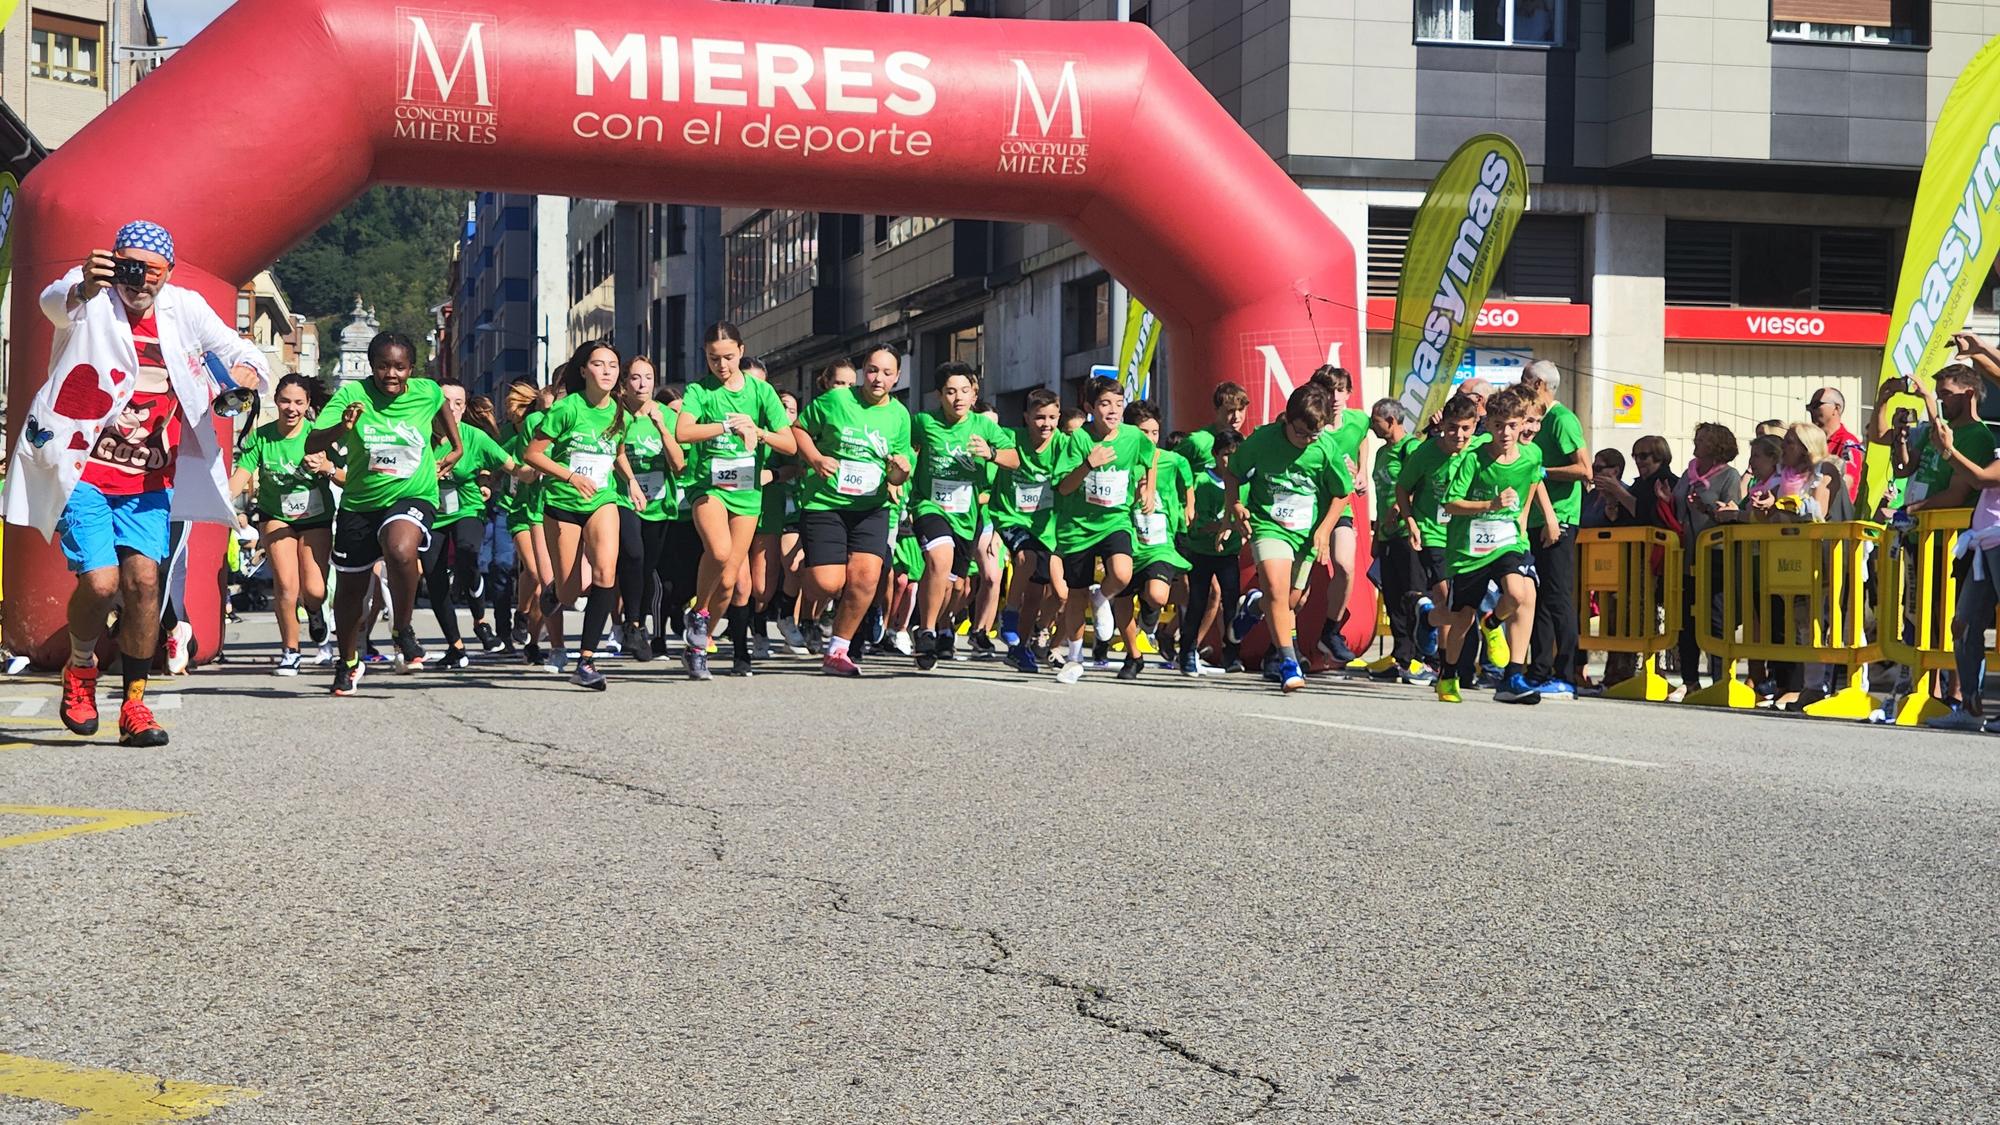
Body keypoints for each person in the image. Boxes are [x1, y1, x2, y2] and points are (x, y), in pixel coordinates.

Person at [4, 222, 271, 745]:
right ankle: (80, 670)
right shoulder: (93, 298)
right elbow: (53, 302)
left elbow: (244, 353)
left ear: (168, 273)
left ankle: (134, 706)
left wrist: (245, 373)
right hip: (82, 469)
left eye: (150, 270)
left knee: (146, 584)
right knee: (102, 584)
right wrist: (84, 282)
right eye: (128, 266)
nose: (138, 279)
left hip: (151, 478)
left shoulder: (185, 308)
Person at [307, 332, 460, 696]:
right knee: (349, 592)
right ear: (372, 365)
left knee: (401, 548)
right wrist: (340, 428)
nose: (391, 374)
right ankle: (347, 662)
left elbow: (442, 408)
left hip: (413, 493)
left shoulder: (427, 391)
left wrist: (456, 447)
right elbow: (312, 443)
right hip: (360, 502)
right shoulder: (351, 396)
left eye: (400, 367)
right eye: (383, 366)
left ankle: (402, 627)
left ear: (411, 368)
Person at [675, 323, 798, 680]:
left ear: (741, 351)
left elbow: (789, 445)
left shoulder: (761, 392)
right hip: (708, 486)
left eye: (729, 357)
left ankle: (697, 646)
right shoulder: (701, 390)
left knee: (729, 581)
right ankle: (698, 612)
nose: (722, 365)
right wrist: (726, 427)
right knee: (718, 551)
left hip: (747, 492)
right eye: (714, 358)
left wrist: (758, 432)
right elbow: (683, 431)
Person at [790, 345, 913, 677]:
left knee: (866, 578)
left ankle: (838, 650)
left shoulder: (899, 415)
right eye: (873, 370)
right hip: (826, 503)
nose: (878, 378)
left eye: (887, 373)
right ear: (863, 372)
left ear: (897, 377)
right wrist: (815, 459)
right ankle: (801, 579)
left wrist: (899, 469)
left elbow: (899, 472)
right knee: (830, 582)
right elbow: (799, 429)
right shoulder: (838, 400)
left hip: (871, 507)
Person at [1221, 382, 1352, 693]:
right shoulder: (1263, 439)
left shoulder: (1324, 448)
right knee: (1278, 594)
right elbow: (1233, 471)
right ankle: (1288, 663)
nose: (1306, 441)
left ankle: (1253, 607)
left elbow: (1341, 493)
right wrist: (1235, 503)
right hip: (1269, 525)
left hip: (1306, 533)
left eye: (1313, 435)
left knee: (1292, 600)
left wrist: (1323, 530)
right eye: (1300, 433)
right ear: (1287, 420)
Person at [1436, 385, 1557, 705]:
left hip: (1507, 538)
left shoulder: (1532, 454)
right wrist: (1490, 504)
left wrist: (1525, 518)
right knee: (1463, 617)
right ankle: (1448, 674)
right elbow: (1450, 503)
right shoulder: (1473, 459)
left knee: (1520, 593)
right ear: (1487, 425)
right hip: (1469, 546)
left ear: (1522, 425)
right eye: (1499, 425)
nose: (1506, 433)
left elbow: (1531, 481)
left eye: (1513, 425)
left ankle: (1511, 670)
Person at [523, 341, 633, 691]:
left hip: (602, 499)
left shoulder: (621, 413)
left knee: (605, 571)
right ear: (583, 370)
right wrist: (570, 476)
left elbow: (616, 453)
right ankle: (556, 590)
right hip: (563, 503)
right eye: (598, 364)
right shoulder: (567, 409)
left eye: (613, 365)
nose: (606, 371)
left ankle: (586, 660)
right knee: (570, 593)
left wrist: (630, 482)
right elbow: (532, 455)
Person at [907, 362, 1020, 669]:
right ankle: (927, 631)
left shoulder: (984, 427)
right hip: (929, 506)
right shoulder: (923, 422)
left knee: (955, 585)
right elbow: (906, 448)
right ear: (939, 395)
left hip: (967, 514)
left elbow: (1014, 459)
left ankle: (942, 626)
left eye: (965, 391)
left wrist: (992, 453)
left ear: (975, 394)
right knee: (938, 559)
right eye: (950, 391)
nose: (958, 397)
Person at [229, 374, 337, 676]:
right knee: (287, 587)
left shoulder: (320, 435)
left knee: (314, 590)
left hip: (315, 518)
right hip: (276, 516)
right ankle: (291, 651)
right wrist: (222, 496)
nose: (291, 408)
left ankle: (315, 612)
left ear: (308, 405)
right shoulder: (261, 437)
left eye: (298, 402)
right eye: (285, 401)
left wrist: (327, 467)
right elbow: (242, 475)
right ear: (276, 401)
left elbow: (347, 476)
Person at [1052, 375, 1157, 684]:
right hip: (1080, 526)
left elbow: (1151, 457)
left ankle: (1102, 599)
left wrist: (1148, 489)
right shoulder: (1079, 440)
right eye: (1104, 404)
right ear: (1089, 407)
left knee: (1123, 574)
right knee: (1076, 593)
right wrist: (1088, 463)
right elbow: (1064, 487)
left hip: (1115, 520)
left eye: (1118, 404)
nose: (1113, 411)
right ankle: (1074, 658)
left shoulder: (1133, 436)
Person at [1918, 379, 2000, 730]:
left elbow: (1982, 480)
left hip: (1995, 542)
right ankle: (1970, 708)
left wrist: (1950, 452)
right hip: (1982, 546)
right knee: (1963, 626)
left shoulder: (1981, 438)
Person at [423, 379, 514, 670]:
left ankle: (480, 622)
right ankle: (456, 647)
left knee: (467, 553)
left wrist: (541, 472)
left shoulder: (474, 437)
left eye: (459, 403)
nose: (452, 408)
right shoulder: (421, 436)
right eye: (446, 401)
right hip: (431, 512)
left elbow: (512, 466)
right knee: (434, 578)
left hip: (467, 508)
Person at [1396, 394, 1486, 683]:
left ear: (1476, 426)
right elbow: (1402, 489)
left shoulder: (1483, 449)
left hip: (1469, 537)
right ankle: (1448, 666)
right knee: (1448, 597)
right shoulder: (1425, 454)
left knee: (1464, 608)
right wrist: (1410, 522)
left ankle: (1430, 622)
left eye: (1465, 429)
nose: (1458, 436)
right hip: (1433, 532)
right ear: (1441, 425)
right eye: (1451, 428)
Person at [1520, 361, 1590, 698]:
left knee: (1558, 596)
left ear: (1538, 384)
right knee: (1538, 597)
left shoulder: (1562, 420)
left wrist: (1541, 470)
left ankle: (1567, 673)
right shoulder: (1534, 423)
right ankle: (1539, 670)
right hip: (1534, 518)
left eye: (1524, 381)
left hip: (1559, 517)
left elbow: (1584, 469)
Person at [613, 355, 686, 664]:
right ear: (624, 384)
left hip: (658, 503)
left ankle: (639, 625)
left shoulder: (666, 417)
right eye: (634, 378)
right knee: (633, 554)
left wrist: (663, 428)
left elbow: (680, 464)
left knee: (646, 569)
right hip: (623, 498)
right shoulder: (616, 415)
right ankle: (630, 622)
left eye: (648, 378)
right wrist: (630, 480)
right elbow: (614, 452)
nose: (642, 384)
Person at [991, 387, 1065, 673]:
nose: (1046, 424)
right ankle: (1008, 615)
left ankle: (1030, 640)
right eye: (1039, 417)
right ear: (1026, 417)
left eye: (1051, 417)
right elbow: (986, 428)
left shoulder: (1063, 444)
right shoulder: (1011, 438)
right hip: (1011, 518)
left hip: (1047, 528)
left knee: (1057, 594)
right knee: (1025, 559)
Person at [1669, 422, 1742, 700]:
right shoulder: (1688, 472)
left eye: (1702, 440)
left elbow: (1730, 511)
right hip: (1685, 555)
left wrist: (1707, 503)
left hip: (1716, 556)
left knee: (1716, 618)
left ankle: (1721, 677)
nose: (1696, 443)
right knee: (1686, 620)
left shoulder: (1729, 475)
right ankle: (1690, 679)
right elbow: (1678, 502)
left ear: (1716, 446)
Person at [1124, 399, 1194, 678]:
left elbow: (1188, 484)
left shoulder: (1172, 459)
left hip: (1160, 539)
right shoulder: (1122, 458)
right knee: (1122, 601)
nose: (1150, 439)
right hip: (1128, 535)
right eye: (1143, 433)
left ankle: (1150, 614)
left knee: (1157, 594)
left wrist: (1189, 506)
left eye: (1154, 433)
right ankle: (1133, 655)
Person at [1365, 399, 1428, 683]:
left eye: (1375, 420)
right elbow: (1380, 495)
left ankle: (1419, 656)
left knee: (1412, 594)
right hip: (1387, 535)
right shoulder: (1380, 453)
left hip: (1407, 533)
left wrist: (1401, 509)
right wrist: (1377, 534)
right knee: (1391, 596)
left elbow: (1420, 484)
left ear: (1391, 421)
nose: (1371, 425)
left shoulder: (1410, 448)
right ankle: (1401, 656)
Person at [1179, 427, 1246, 675]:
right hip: (1201, 551)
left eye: (1236, 455)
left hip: (1229, 554)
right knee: (1198, 601)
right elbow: (1199, 522)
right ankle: (1187, 650)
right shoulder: (1202, 481)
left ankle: (1232, 654)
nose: (1230, 461)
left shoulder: (1244, 484)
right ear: (1216, 454)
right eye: (1226, 454)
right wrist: (1226, 525)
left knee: (1231, 604)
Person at [1807, 387, 1866, 507]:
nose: (1811, 411)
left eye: (1817, 405)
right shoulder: (1813, 442)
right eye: (1809, 406)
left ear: (1836, 408)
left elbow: (1848, 481)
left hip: (1834, 516)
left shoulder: (1848, 443)